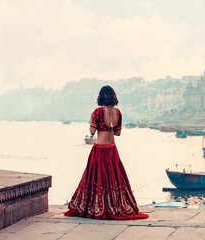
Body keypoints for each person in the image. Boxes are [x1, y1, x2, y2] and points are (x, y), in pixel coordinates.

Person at [64, 86, 149, 220]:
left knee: (96, 179)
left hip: (99, 149)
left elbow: (92, 132)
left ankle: (97, 207)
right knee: (114, 179)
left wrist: (94, 122)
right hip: (112, 149)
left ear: (100, 97)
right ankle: (114, 205)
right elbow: (118, 133)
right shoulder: (118, 113)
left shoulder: (97, 112)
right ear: (114, 97)